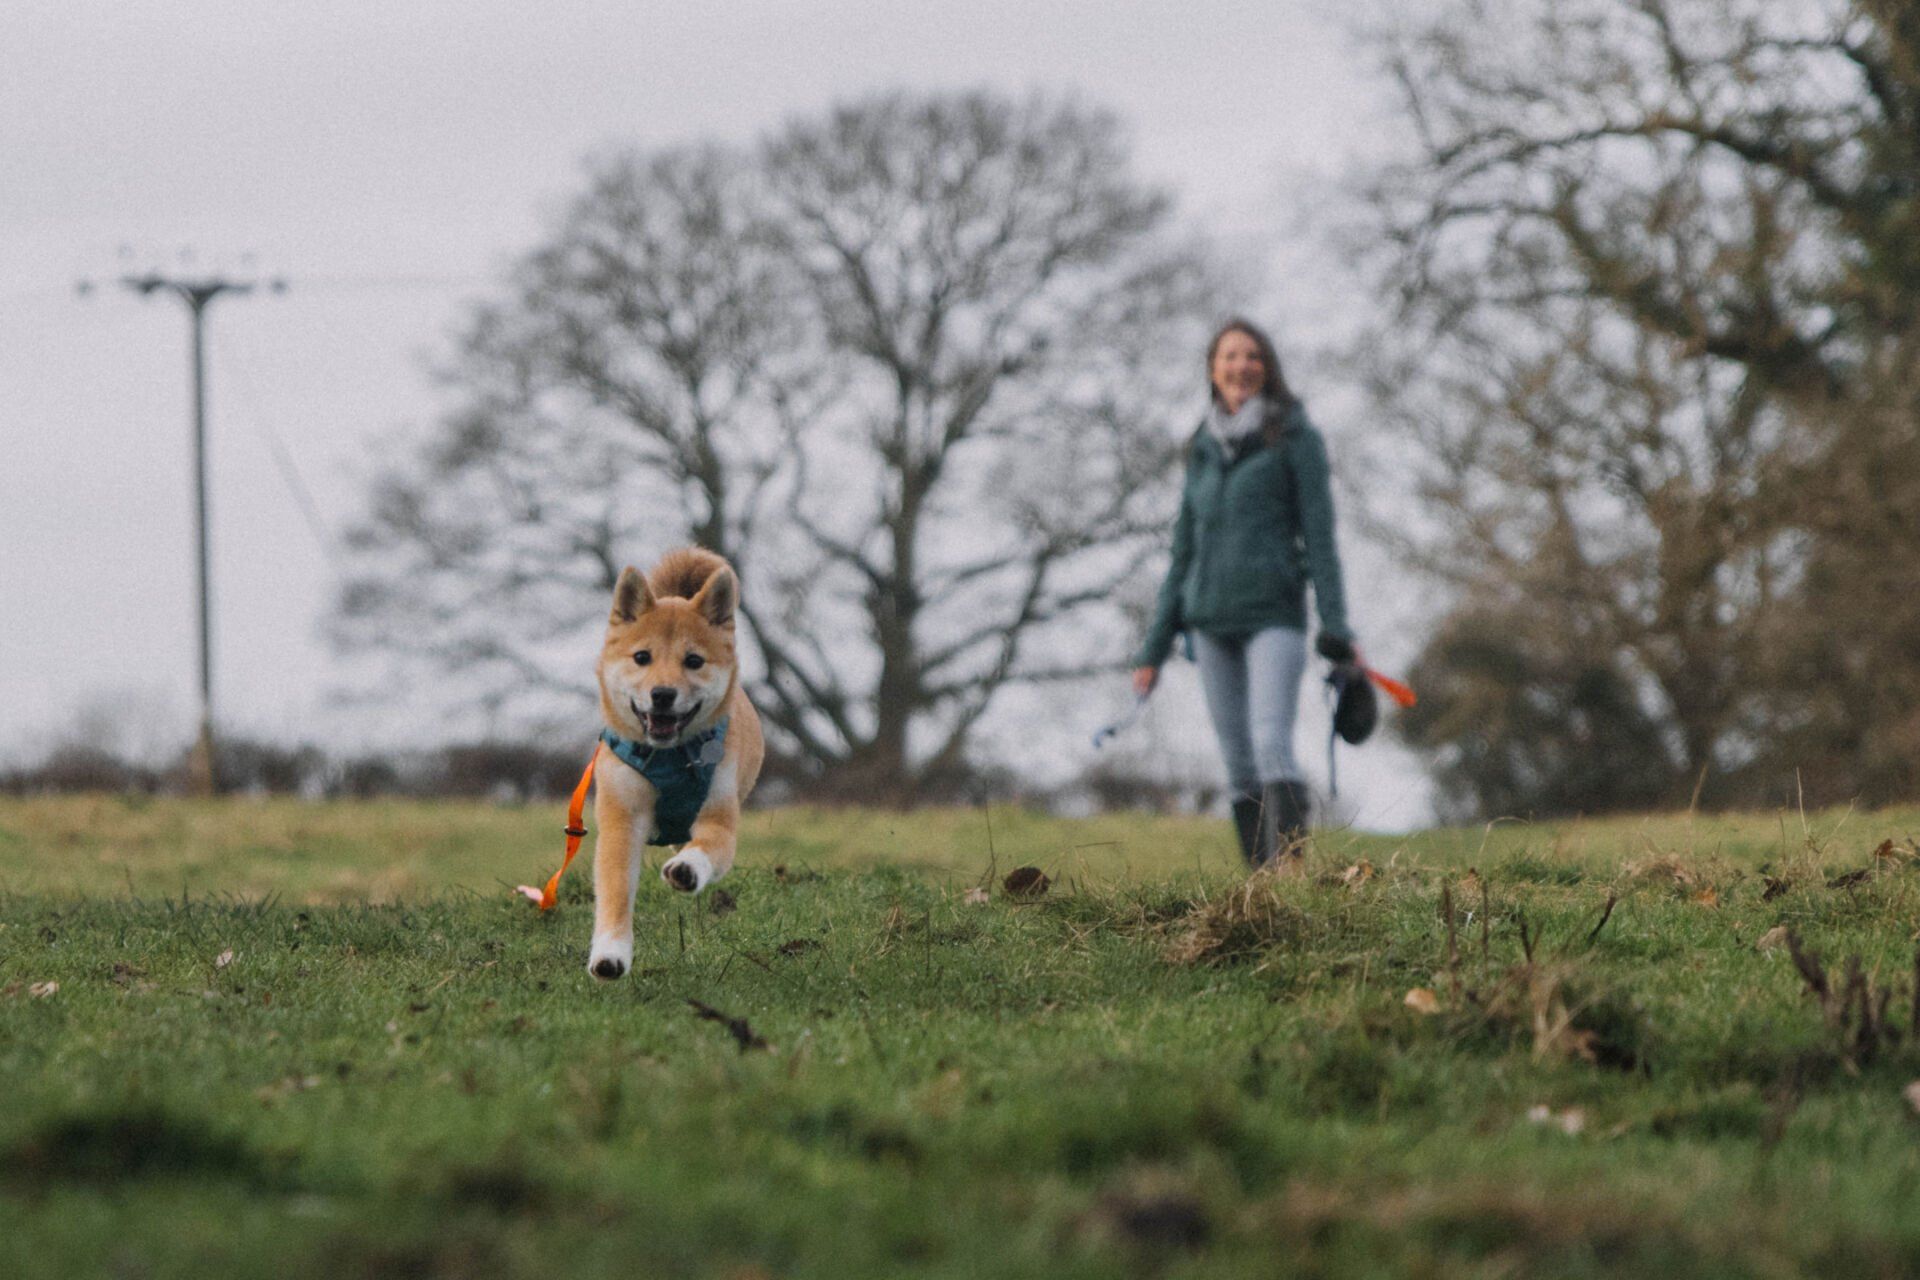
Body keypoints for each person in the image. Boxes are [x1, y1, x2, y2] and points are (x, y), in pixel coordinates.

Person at [1132, 318, 1356, 870]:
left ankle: (1296, 877)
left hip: (1273, 616)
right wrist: (1153, 651)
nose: (1241, 365)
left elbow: (1321, 539)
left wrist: (1336, 627)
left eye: (1252, 355)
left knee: (1270, 742)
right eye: (1230, 356)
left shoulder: (1296, 439)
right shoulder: (1202, 448)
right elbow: (1182, 552)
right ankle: (1262, 892)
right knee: (1237, 765)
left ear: (1268, 368)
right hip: (1208, 622)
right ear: (1213, 369)